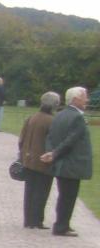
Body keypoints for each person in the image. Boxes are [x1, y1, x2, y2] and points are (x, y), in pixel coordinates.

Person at [40, 86, 93, 237]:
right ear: (76, 99)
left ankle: (62, 224)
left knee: (64, 195)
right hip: (71, 163)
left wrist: (50, 152)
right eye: (84, 97)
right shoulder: (77, 117)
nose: (87, 100)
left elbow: (51, 137)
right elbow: (71, 141)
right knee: (68, 197)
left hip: (61, 163)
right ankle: (61, 226)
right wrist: (54, 153)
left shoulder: (60, 114)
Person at [18, 92, 58, 229]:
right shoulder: (52, 121)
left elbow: (21, 140)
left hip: (28, 160)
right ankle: (37, 220)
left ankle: (28, 220)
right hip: (42, 162)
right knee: (41, 192)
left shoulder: (31, 117)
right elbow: (54, 141)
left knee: (29, 191)